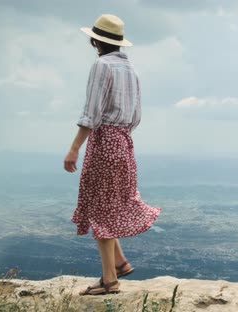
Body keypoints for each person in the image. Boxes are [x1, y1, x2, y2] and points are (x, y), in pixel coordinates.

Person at [63, 14, 161, 296]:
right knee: (107, 203)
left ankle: (109, 281)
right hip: (125, 143)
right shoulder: (131, 70)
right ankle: (118, 262)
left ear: (95, 40)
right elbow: (136, 116)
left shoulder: (101, 65)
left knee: (101, 207)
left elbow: (91, 113)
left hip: (104, 140)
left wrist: (74, 148)